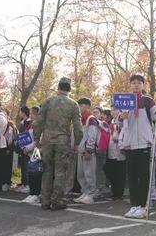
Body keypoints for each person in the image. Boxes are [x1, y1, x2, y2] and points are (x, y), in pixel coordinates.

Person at [119, 74, 156, 219]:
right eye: (133, 83)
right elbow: (119, 122)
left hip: (144, 143)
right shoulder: (125, 100)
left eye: (139, 83)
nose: (136, 85)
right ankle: (134, 205)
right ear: (130, 85)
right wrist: (122, 117)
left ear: (143, 85)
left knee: (144, 177)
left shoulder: (148, 101)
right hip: (130, 144)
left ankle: (144, 206)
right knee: (132, 177)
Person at [33, 77, 83, 211]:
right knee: (61, 171)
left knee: (47, 170)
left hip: (47, 140)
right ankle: (57, 200)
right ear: (69, 88)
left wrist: (36, 138)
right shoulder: (73, 105)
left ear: (59, 87)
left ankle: (45, 200)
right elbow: (78, 126)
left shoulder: (49, 101)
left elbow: (38, 122)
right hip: (62, 141)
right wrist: (77, 142)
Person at [75, 98, 99, 205]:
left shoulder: (91, 119)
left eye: (82, 105)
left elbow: (92, 135)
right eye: (79, 105)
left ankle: (91, 194)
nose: (80, 107)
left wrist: (89, 148)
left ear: (88, 106)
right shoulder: (80, 119)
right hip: (81, 150)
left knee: (89, 173)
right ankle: (84, 192)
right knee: (81, 173)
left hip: (88, 151)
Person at [105, 107, 126, 200]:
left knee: (119, 173)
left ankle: (119, 193)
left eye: (115, 109)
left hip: (119, 152)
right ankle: (114, 192)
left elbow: (124, 132)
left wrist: (119, 139)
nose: (112, 112)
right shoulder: (112, 122)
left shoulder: (123, 121)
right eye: (111, 110)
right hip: (111, 150)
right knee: (111, 172)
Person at [16, 106, 33, 194]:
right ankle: (23, 183)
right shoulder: (22, 122)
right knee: (23, 166)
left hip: (27, 148)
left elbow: (27, 135)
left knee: (26, 166)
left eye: (20, 112)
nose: (19, 113)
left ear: (23, 112)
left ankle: (27, 184)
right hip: (22, 147)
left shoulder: (28, 122)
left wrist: (25, 147)